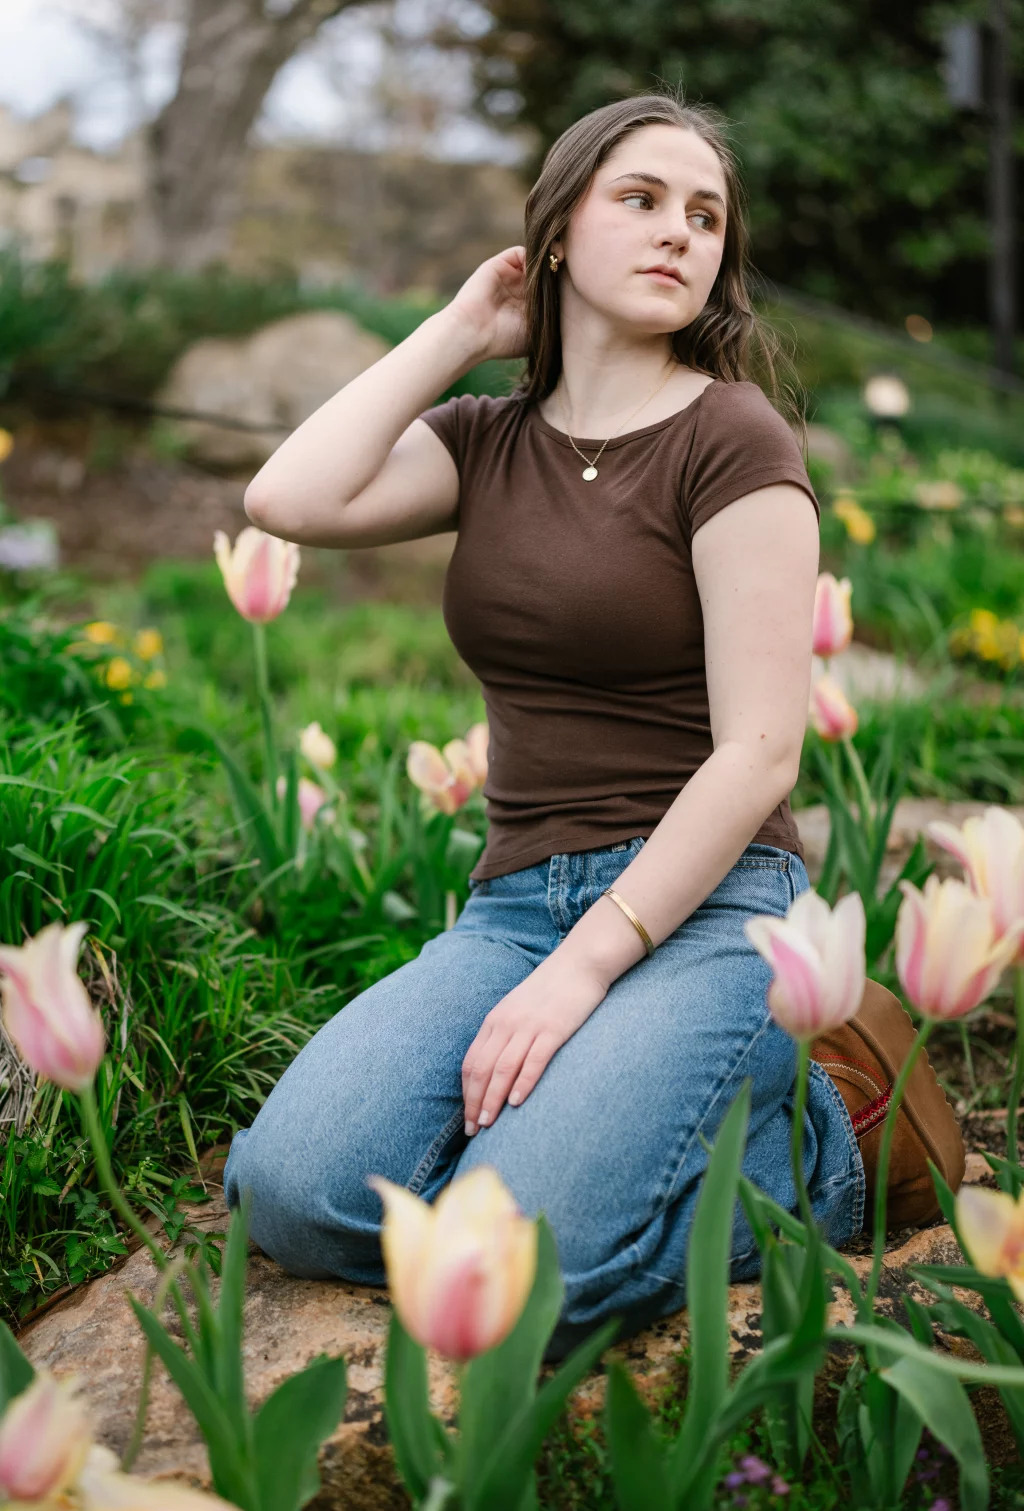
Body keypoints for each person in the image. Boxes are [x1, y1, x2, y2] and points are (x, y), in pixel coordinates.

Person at [223, 92, 964, 1355]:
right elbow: (284, 494)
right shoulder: (485, 440)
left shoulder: (732, 438)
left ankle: (825, 1147)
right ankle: (601, 1136)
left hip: (715, 907)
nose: (680, 231)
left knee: (502, 1250)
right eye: (639, 199)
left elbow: (761, 751)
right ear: (556, 232)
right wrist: (463, 327)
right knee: (292, 1191)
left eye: (705, 214)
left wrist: (584, 971)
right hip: (515, 904)